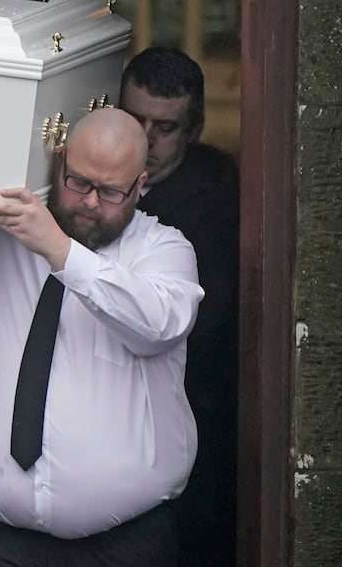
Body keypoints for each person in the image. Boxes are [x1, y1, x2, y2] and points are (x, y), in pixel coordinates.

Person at [0, 107, 203, 566]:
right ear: (57, 163)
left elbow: (159, 324)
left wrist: (59, 249)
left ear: (140, 183)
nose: (91, 202)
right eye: (79, 182)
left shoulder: (163, 250)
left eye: (111, 191)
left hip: (122, 546)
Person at [120, 46, 240, 566]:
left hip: (186, 414)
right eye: (134, 118)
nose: (144, 138)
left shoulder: (215, 198)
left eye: (164, 127)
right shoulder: (76, 182)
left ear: (191, 131)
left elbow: (204, 329)